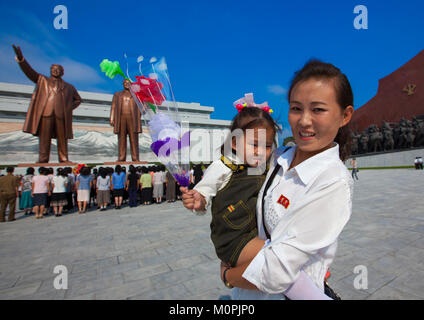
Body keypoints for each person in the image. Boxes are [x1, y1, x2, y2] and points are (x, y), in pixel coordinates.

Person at [218, 60, 354, 300]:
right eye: (296, 108)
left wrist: (228, 276)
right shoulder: (276, 157)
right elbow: (236, 177)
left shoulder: (333, 181)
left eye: (318, 109)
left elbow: (275, 274)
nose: (304, 121)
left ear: (345, 115)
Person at [181, 94, 280, 269]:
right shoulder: (224, 166)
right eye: (254, 144)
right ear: (234, 143)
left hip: (258, 235)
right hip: (233, 240)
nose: (260, 152)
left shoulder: (267, 165)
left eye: (266, 146)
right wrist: (199, 200)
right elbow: (205, 190)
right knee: (281, 258)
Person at [12, 45, 81, 163]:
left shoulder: (69, 87)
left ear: (62, 72)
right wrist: (21, 60)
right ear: (50, 70)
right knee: (44, 137)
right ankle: (43, 158)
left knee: (62, 138)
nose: (55, 70)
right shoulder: (42, 80)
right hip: (46, 113)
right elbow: (30, 73)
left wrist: (68, 108)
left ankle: (64, 158)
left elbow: (78, 100)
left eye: (58, 69)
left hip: (61, 115)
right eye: (53, 68)